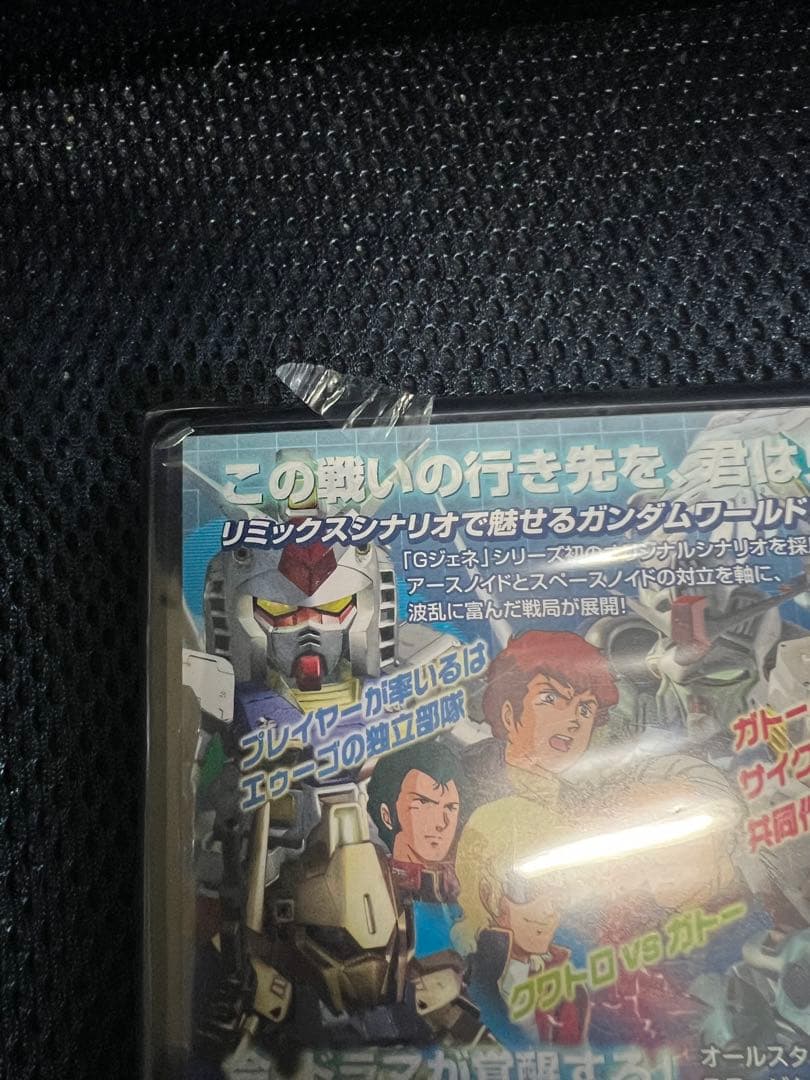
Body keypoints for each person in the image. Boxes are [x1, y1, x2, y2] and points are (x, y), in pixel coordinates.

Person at [451, 798, 591, 1050]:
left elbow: (577, 1062)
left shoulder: (567, 987)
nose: (548, 910)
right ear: (486, 893)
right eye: (527, 890)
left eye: (559, 894)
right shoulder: (452, 975)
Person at [464, 630, 619, 813]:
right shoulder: (461, 784)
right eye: (550, 698)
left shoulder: (583, 806)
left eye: (585, 709)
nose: (573, 720)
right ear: (508, 714)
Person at [367, 740, 465, 903]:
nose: (441, 823)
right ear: (387, 815)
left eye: (450, 807)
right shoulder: (371, 880)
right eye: (424, 803)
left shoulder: (464, 883)